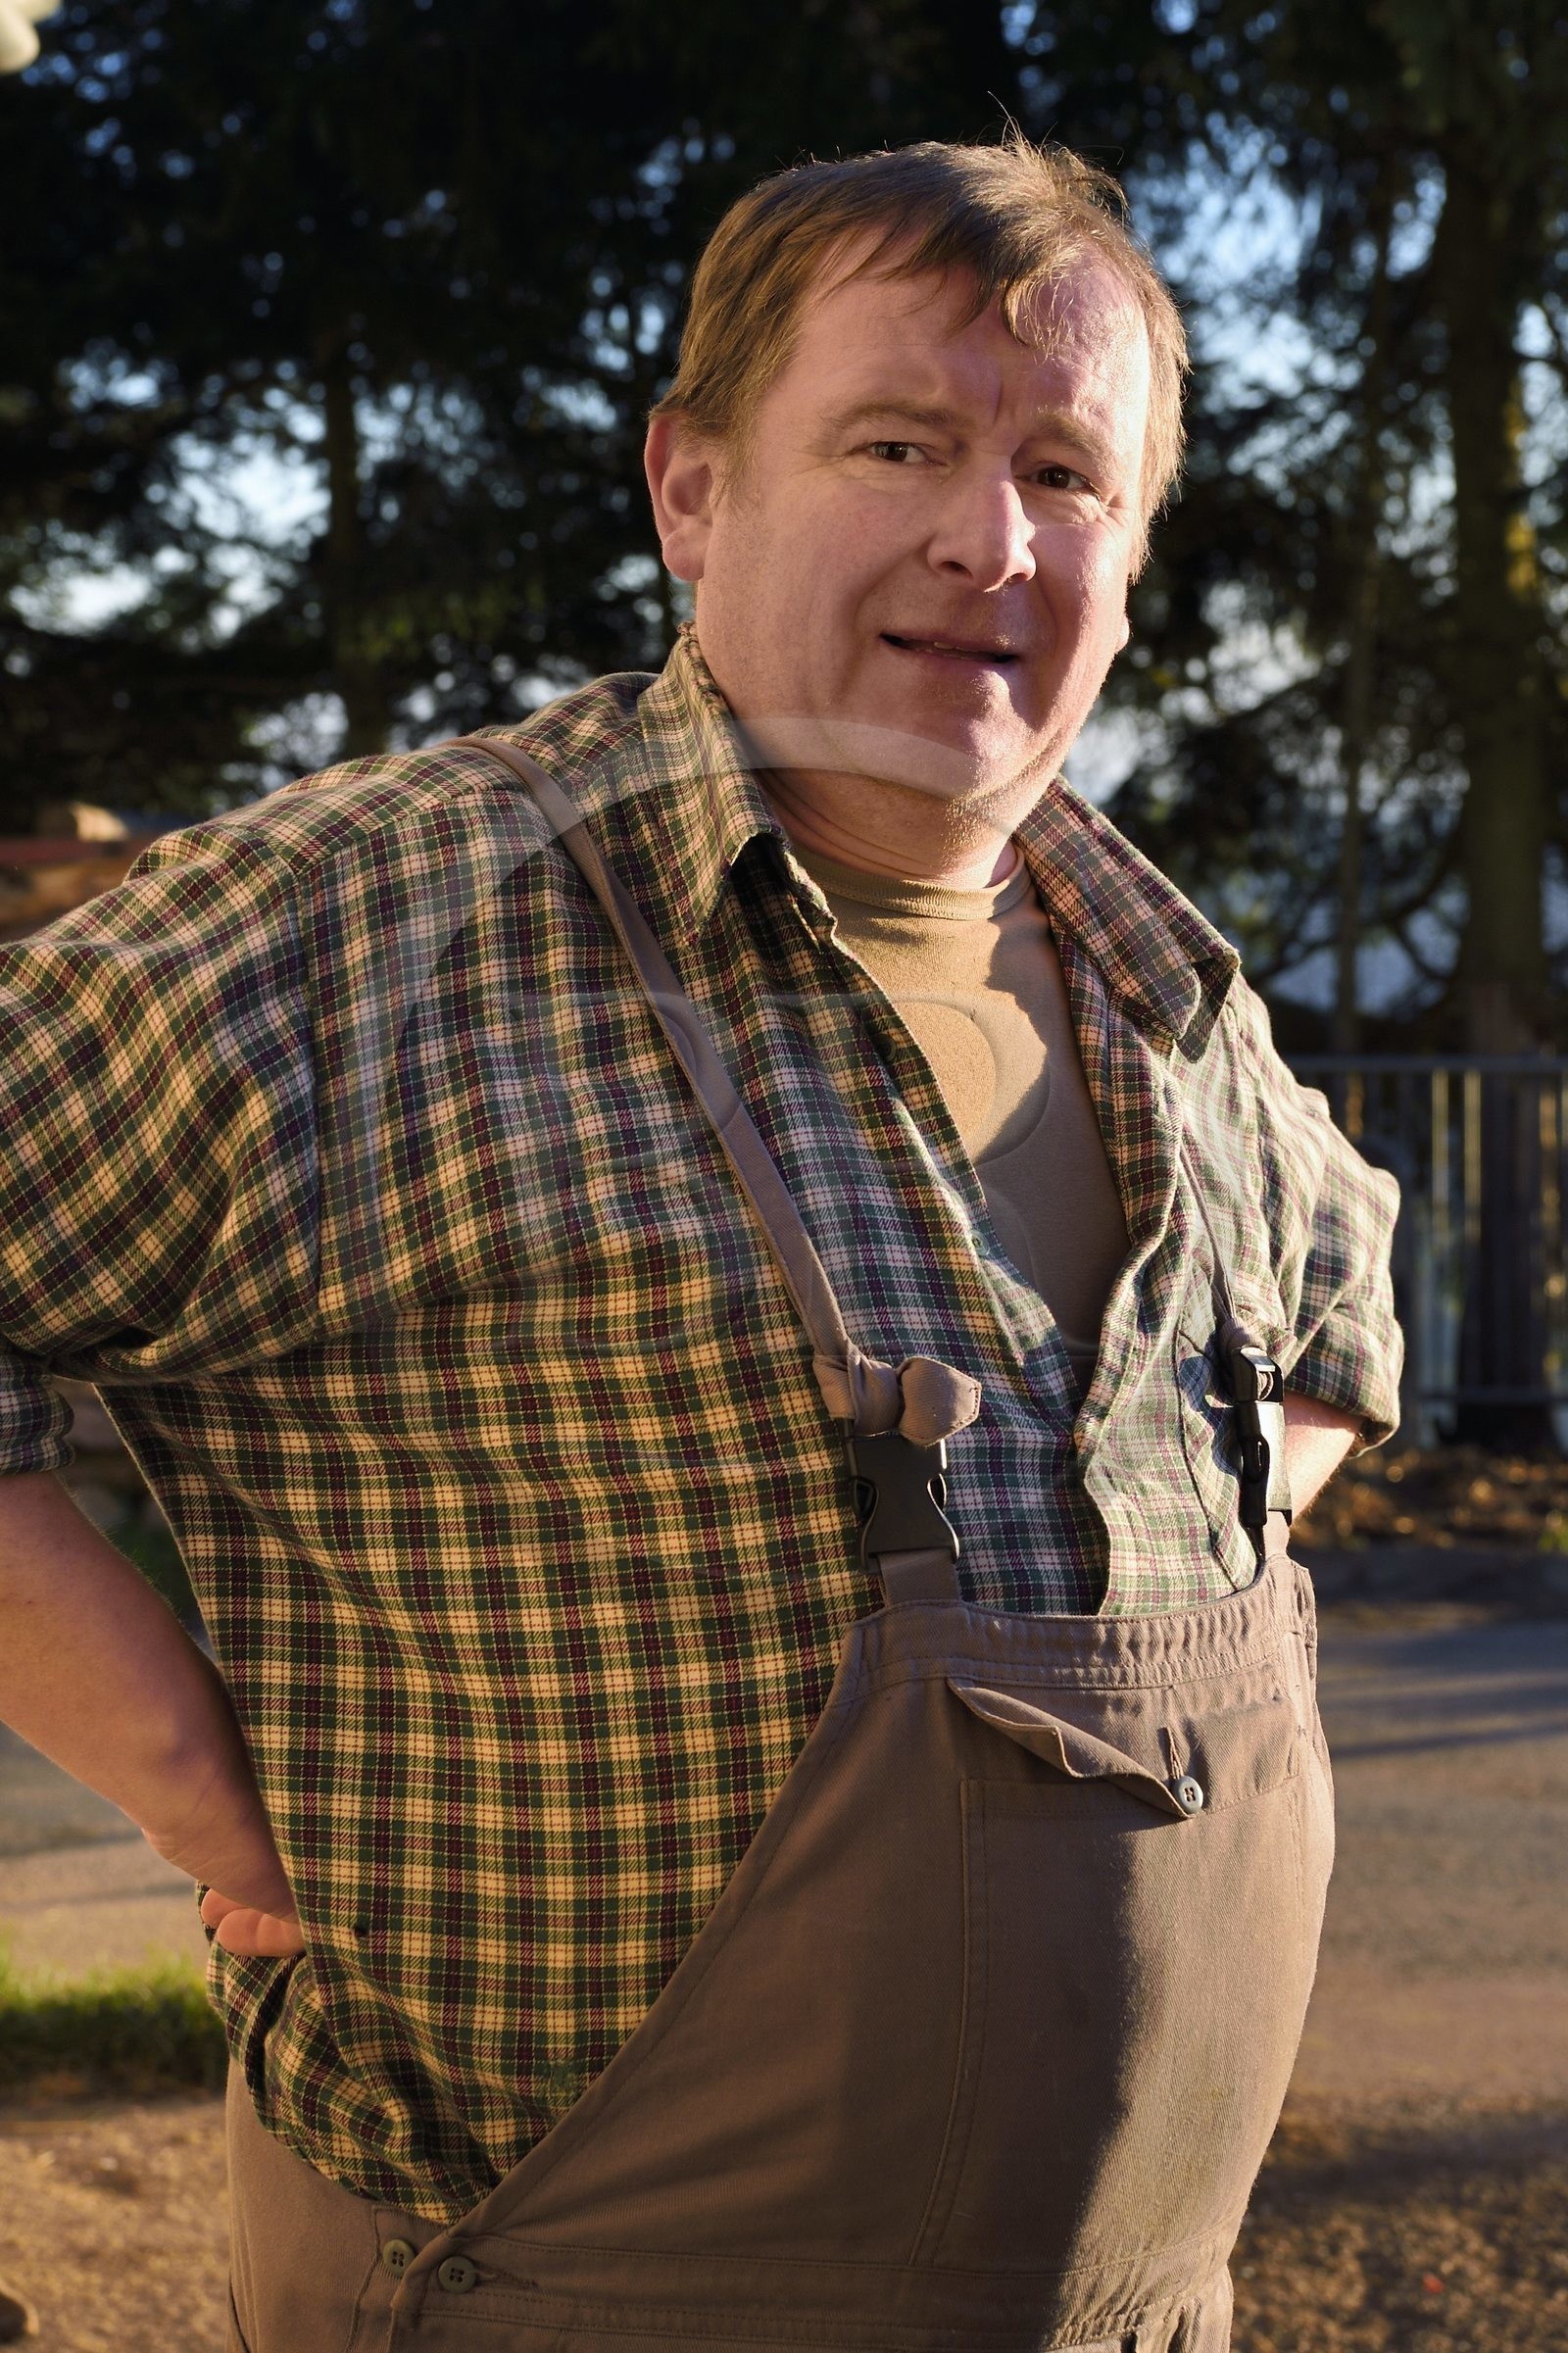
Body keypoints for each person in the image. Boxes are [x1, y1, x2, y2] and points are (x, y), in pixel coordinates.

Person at [0, 138, 1398, 2351]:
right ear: (690, 493)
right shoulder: (375, 930)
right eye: (897, 442)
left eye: (1065, 468)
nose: (988, 532)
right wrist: (203, 1784)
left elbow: (1339, 1309)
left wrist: (1132, 1547)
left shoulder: (1163, 984)